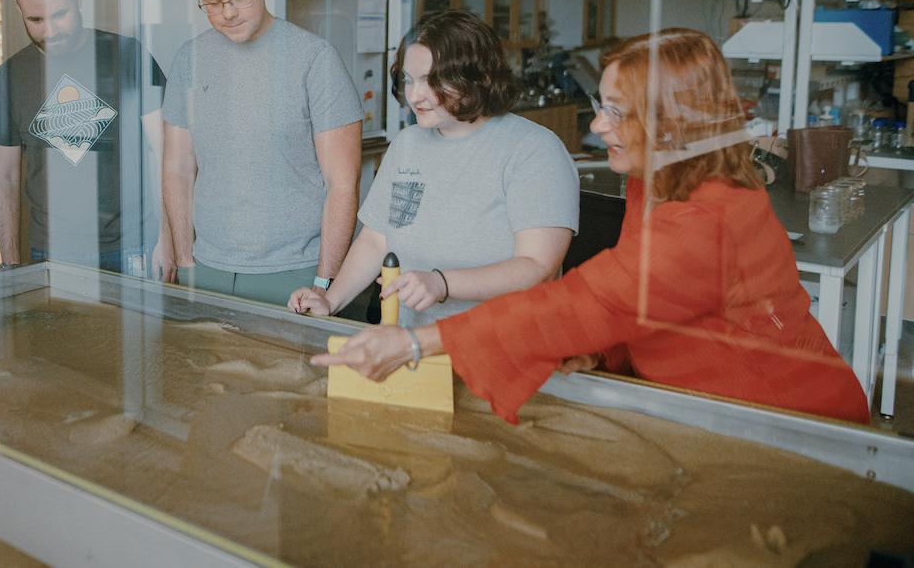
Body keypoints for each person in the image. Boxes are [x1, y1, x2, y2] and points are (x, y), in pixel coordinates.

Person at [314, 28, 871, 425]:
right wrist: (603, 354)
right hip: (698, 402)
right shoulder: (652, 179)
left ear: (673, 121)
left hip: (779, 415)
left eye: (617, 112)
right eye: (599, 106)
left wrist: (417, 344)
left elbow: (593, 301)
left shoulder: (710, 215)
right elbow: (642, 307)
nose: (599, 126)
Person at [288, 10, 577, 325]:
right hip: (412, 343)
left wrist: (442, 283)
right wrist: (330, 300)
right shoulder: (407, 145)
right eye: (409, 80)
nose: (414, 95)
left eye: (432, 80)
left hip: (500, 347)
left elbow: (537, 266)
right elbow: (376, 240)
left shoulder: (534, 149)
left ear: (478, 78)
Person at [162, 0, 362, 306]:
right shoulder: (190, 59)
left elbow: (343, 184)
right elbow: (178, 167)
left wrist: (324, 282)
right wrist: (185, 259)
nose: (228, 13)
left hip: (295, 272)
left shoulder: (314, 60)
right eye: (213, 2)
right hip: (209, 267)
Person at [0, 0, 172, 275]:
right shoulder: (10, 76)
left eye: (60, 14)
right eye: (36, 20)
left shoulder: (130, 57)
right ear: (18, 9)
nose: (50, 30)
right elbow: (3, 177)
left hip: (133, 246)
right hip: (52, 251)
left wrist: (170, 241)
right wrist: (10, 263)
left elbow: (168, 155)